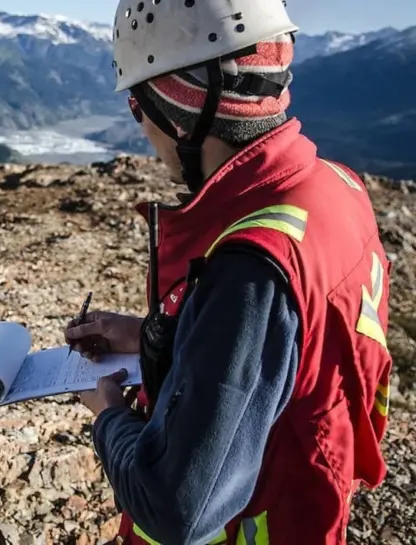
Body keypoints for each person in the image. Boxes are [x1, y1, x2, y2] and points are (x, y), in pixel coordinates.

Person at [64, 1, 393, 544]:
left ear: (179, 106)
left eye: (136, 102)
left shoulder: (251, 267)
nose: (141, 126)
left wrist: (108, 417)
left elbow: (177, 507)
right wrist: (158, 334)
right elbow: (290, 354)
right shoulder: (335, 187)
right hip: (308, 498)